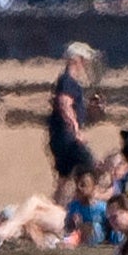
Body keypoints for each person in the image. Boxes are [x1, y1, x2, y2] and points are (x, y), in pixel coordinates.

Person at [47, 43, 97, 197]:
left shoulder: (71, 83)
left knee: (64, 178)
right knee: (89, 168)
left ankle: (58, 206)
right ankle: (84, 200)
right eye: (85, 61)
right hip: (68, 139)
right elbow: (64, 104)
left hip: (61, 138)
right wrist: (76, 131)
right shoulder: (67, 80)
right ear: (77, 60)